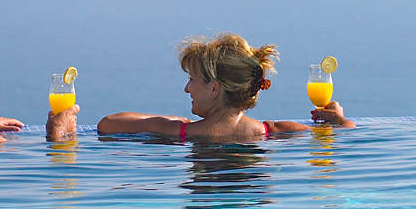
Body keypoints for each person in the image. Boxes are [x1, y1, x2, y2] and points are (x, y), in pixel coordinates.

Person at [65, 33, 353, 143]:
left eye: (192, 79)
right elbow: (344, 135)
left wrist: (170, 122)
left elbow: (107, 124)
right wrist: (339, 119)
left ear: (214, 89)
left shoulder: (180, 131)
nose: (187, 88)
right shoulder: (276, 131)